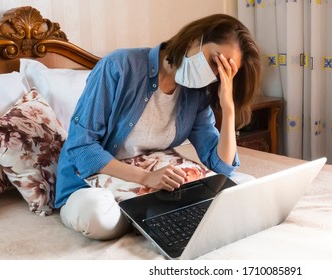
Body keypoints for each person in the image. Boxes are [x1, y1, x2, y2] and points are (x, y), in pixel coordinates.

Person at [54, 14, 262, 240]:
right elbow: (81, 147)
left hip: (159, 182)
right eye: (215, 61)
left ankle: (149, 215)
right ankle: (156, 214)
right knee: (98, 218)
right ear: (195, 39)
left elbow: (221, 165)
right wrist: (145, 178)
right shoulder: (119, 66)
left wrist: (228, 108)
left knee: (246, 186)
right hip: (96, 180)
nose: (213, 74)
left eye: (223, 72)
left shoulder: (196, 93)